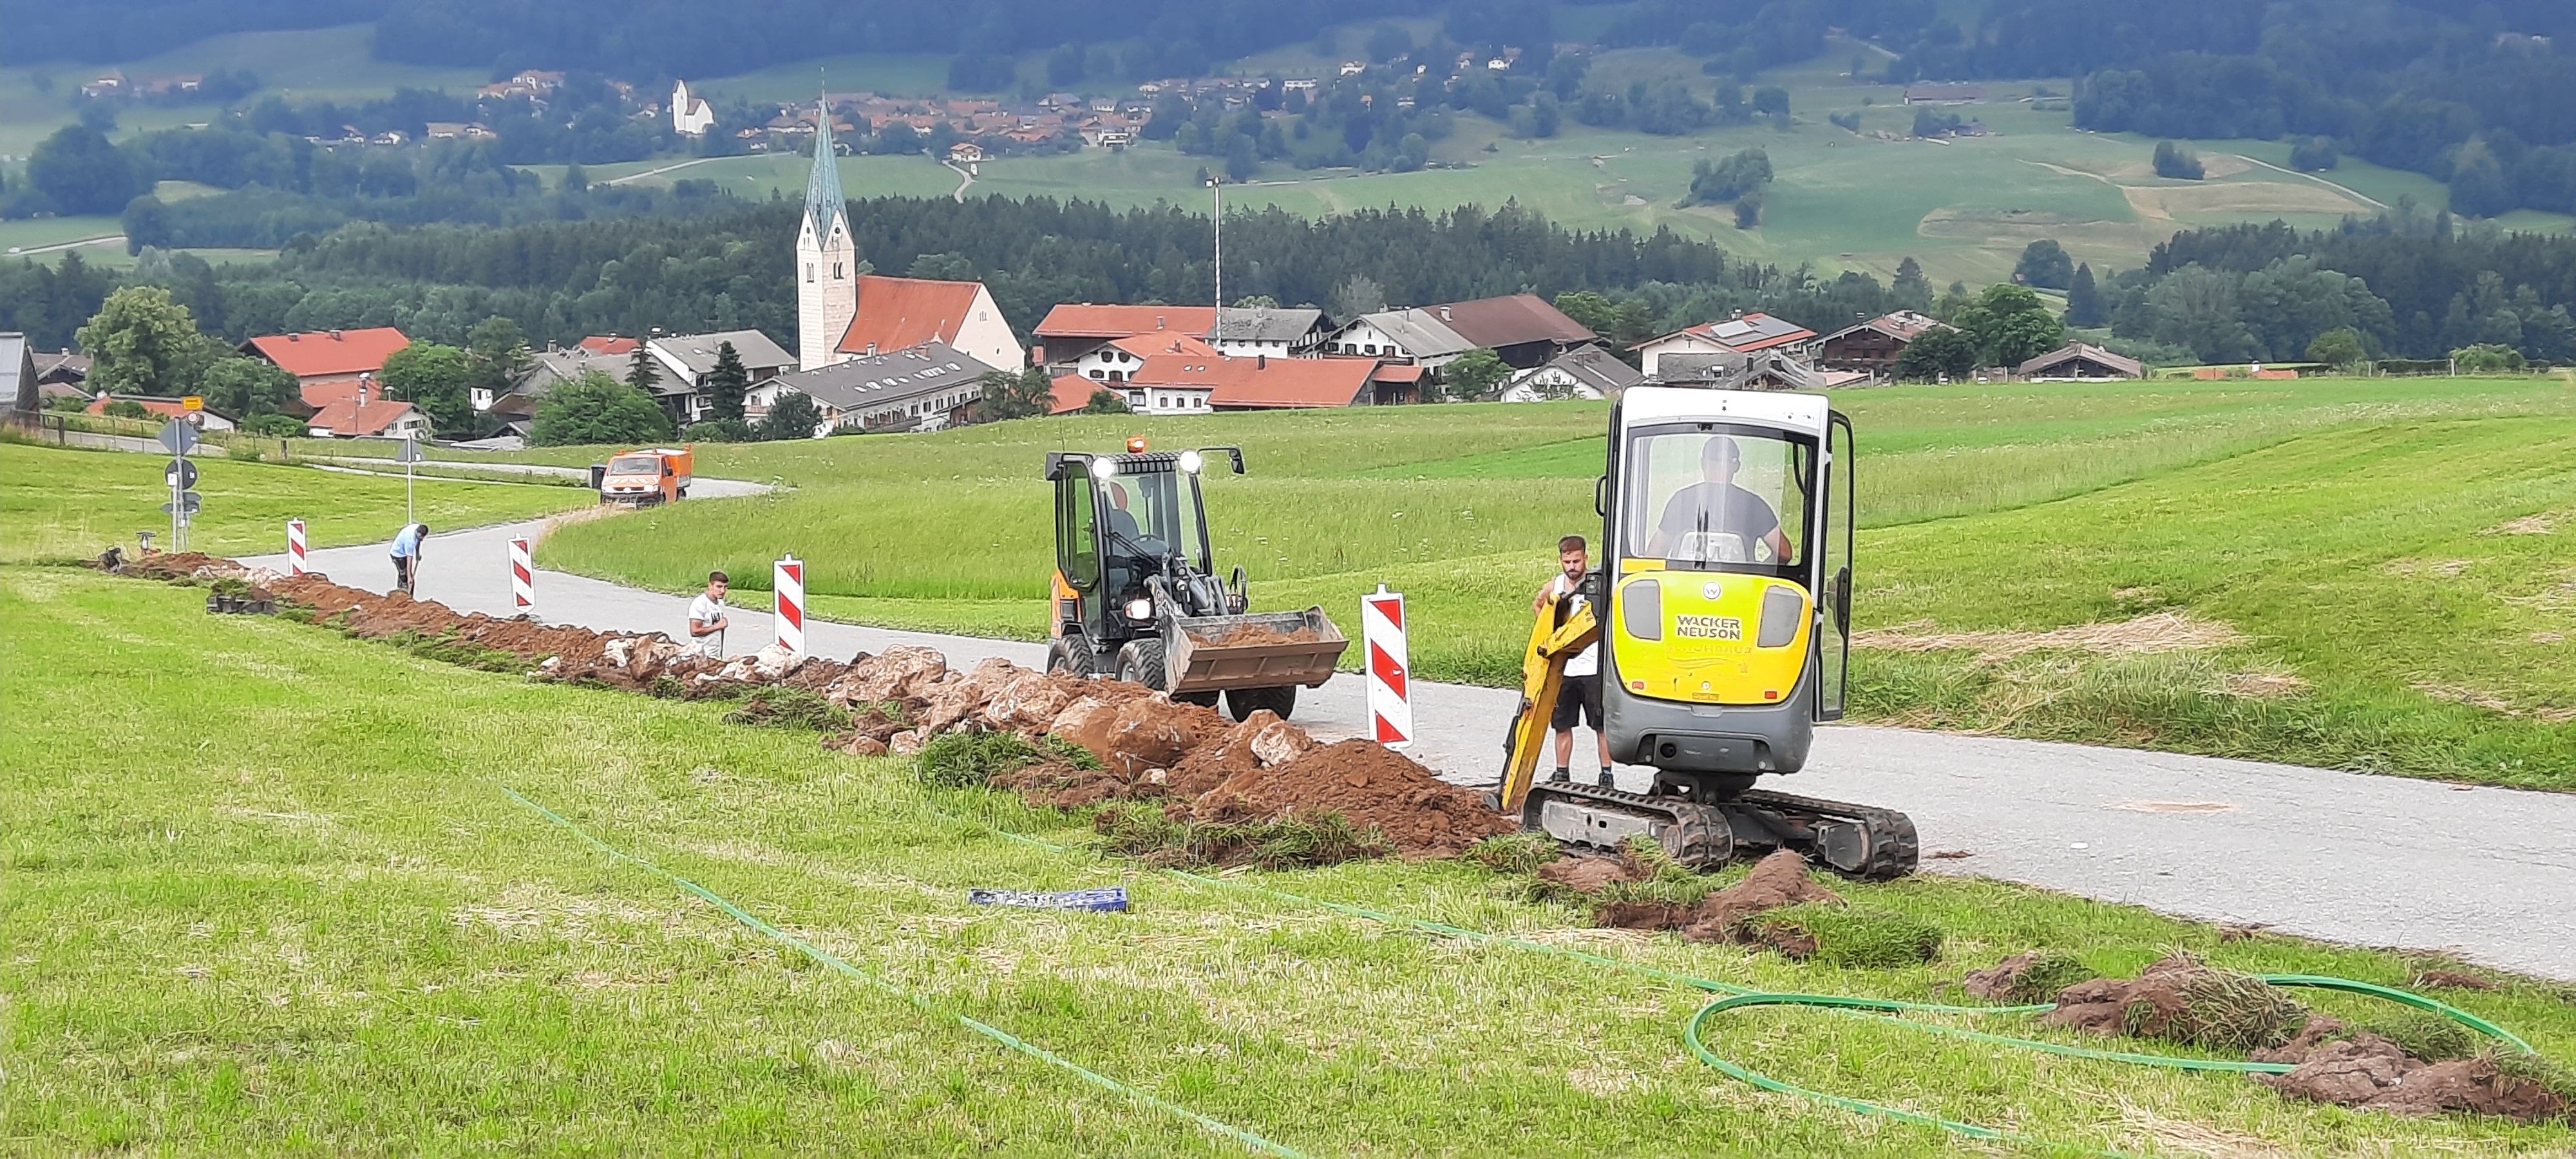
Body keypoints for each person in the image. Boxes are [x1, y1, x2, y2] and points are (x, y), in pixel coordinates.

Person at [1533, 534, 1613, 789]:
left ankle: (1607, 776)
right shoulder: (1554, 586)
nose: (1572, 567)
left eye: (1576, 561)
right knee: (1562, 725)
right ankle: (1562, 774)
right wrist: (1549, 633)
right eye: (1567, 562)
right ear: (1561, 560)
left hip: (1593, 670)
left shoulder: (1596, 584)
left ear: (1585, 558)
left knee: (1601, 727)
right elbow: (1538, 604)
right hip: (1564, 671)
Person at [1645, 436, 1792, 563]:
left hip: (1684, 590)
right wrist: (1757, 572)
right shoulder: (1754, 504)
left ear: (1703, 464)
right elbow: (1784, 552)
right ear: (1737, 466)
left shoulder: (1681, 500)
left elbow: (1655, 554)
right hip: (1740, 590)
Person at [688, 571, 731, 658]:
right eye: (719, 587)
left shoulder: (720, 603)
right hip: (700, 656)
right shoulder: (700, 603)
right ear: (710, 586)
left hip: (715, 654)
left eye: (725, 587)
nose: (722, 591)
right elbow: (694, 631)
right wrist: (717, 626)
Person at [390, 522, 428, 593]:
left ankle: (408, 596)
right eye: (419, 537)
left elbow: (418, 541)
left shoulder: (418, 528)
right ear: (417, 532)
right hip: (397, 554)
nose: (421, 538)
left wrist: (417, 554)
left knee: (407, 578)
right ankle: (402, 596)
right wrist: (410, 577)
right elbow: (409, 561)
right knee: (405, 578)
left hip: (404, 553)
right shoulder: (410, 541)